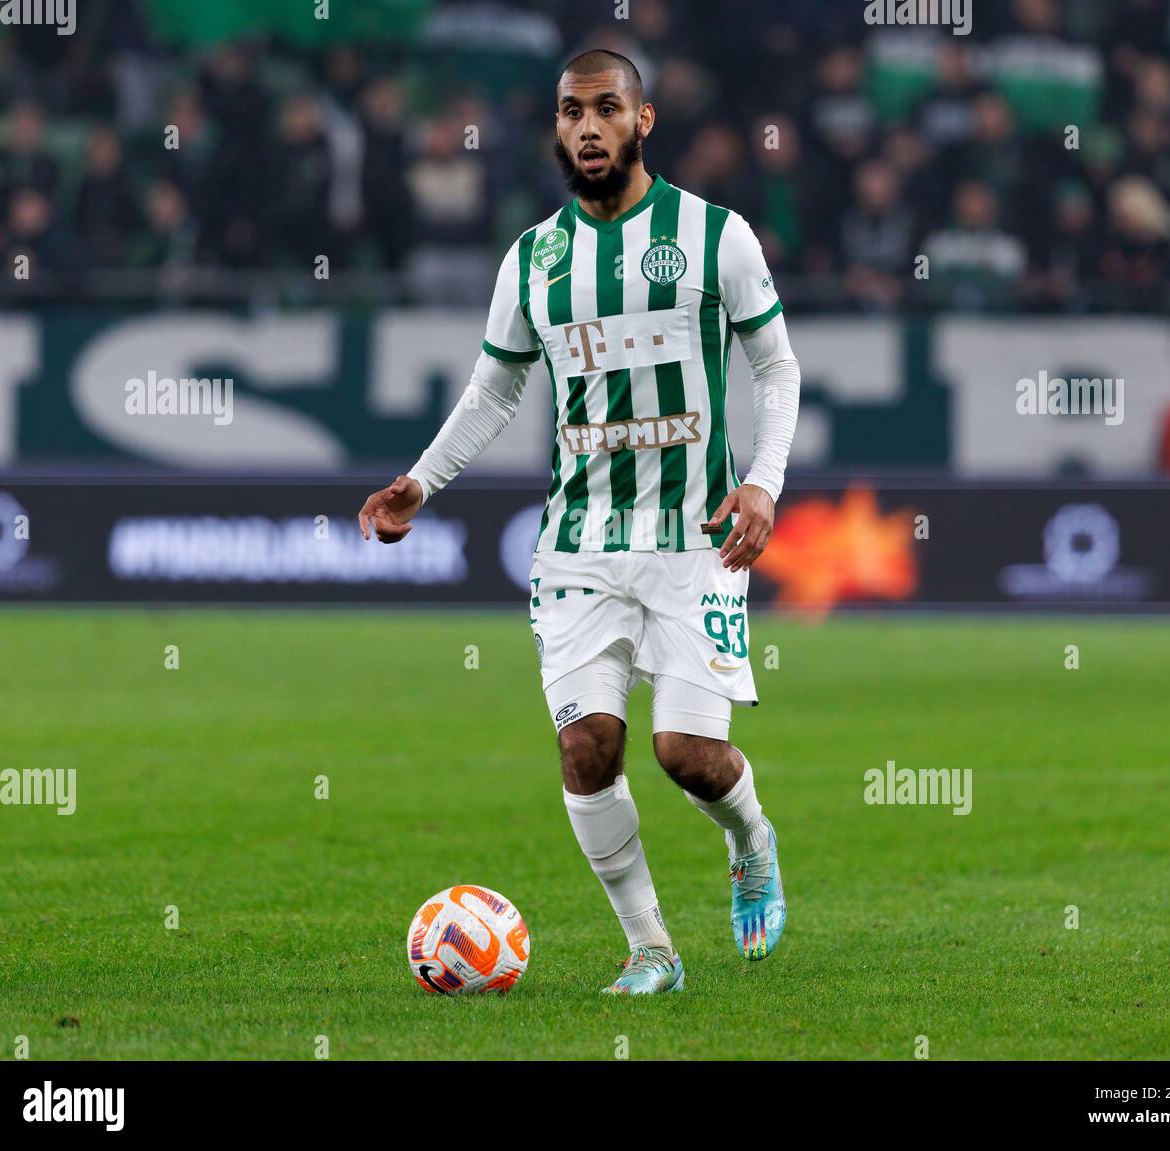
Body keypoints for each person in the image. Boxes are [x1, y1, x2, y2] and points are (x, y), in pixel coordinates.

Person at [358, 49, 800, 995]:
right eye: (571, 111)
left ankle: (752, 838)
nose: (588, 126)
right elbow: (492, 392)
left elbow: (778, 371)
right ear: (555, 127)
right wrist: (419, 485)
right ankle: (651, 950)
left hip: (696, 540)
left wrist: (762, 482)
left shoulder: (715, 236)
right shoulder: (534, 258)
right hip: (579, 547)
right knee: (586, 746)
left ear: (644, 122)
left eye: (607, 109)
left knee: (688, 755)